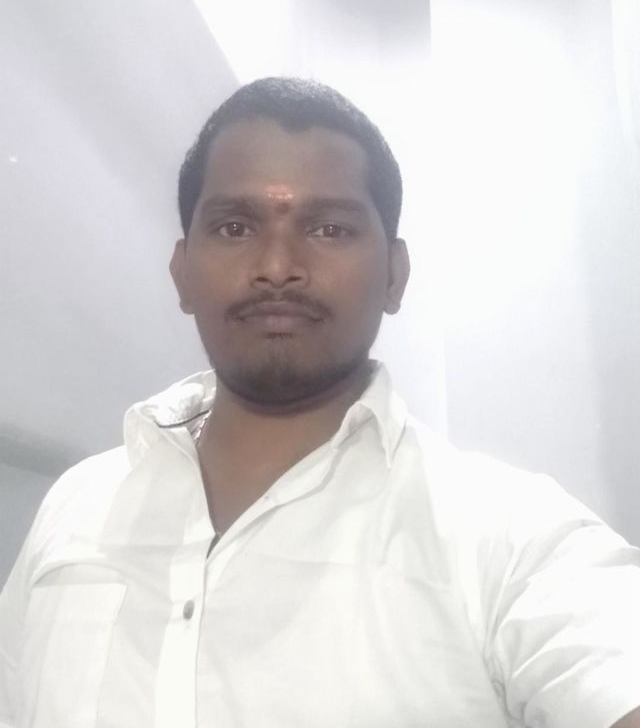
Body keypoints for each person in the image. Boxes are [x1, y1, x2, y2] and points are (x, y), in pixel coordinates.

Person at [0, 77, 638, 728]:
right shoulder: (75, 508)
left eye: (329, 228)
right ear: (182, 272)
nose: (278, 266)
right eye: (234, 226)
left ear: (395, 276)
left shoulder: (510, 538)